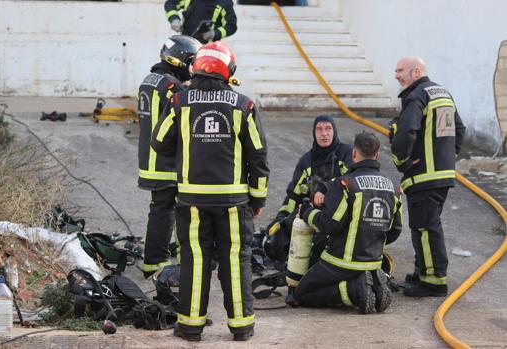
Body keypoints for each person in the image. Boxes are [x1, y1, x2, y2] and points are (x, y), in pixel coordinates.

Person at [151, 41, 269, 341]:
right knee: (235, 259)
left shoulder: (180, 101)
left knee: (195, 260)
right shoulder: (243, 105)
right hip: (233, 201)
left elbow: (159, 141)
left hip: (191, 200)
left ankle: (190, 327)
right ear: (227, 71)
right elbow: (259, 156)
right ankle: (241, 326)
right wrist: (258, 199)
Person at [289, 131, 403, 313]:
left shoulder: (345, 184)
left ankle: (356, 290)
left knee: (301, 293)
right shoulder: (393, 187)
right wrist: (370, 241)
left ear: (354, 154)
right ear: (377, 154)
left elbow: (329, 225)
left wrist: (307, 213)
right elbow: (395, 229)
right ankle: (373, 286)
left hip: (341, 263)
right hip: (374, 261)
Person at [390, 56, 466, 297]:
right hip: (442, 173)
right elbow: (460, 130)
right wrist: (447, 156)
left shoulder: (417, 95)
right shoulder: (442, 92)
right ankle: (423, 270)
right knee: (427, 225)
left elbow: (407, 131)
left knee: (424, 227)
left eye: (401, 70)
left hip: (423, 176)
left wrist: (402, 162)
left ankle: (433, 281)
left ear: (417, 72)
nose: (397, 75)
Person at [137, 35, 202, 279]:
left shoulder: (151, 80)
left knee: (159, 210)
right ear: (180, 60)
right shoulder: (172, 87)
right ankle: (157, 262)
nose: (193, 69)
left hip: (151, 158)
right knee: (166, 213)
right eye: (192, 62)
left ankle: (154, 258)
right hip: (165, 162)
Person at [263, 115, 353, 267]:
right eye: (319, 129)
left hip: (340, 214)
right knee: (276, 242)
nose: (324, 134)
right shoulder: (306, 161)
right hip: (311, 214)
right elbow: (293, 195)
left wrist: (326, 189)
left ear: (334, 131)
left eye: (328, 128)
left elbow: (353, 178)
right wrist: (282, 217)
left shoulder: (346, 153)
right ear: (313, 133)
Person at [164, 0, 237, 44]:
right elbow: (170, 3)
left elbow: (231, 25)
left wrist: (214, 33)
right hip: (185, 44)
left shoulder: (224, 2)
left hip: (208, 50)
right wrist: (174, 19)